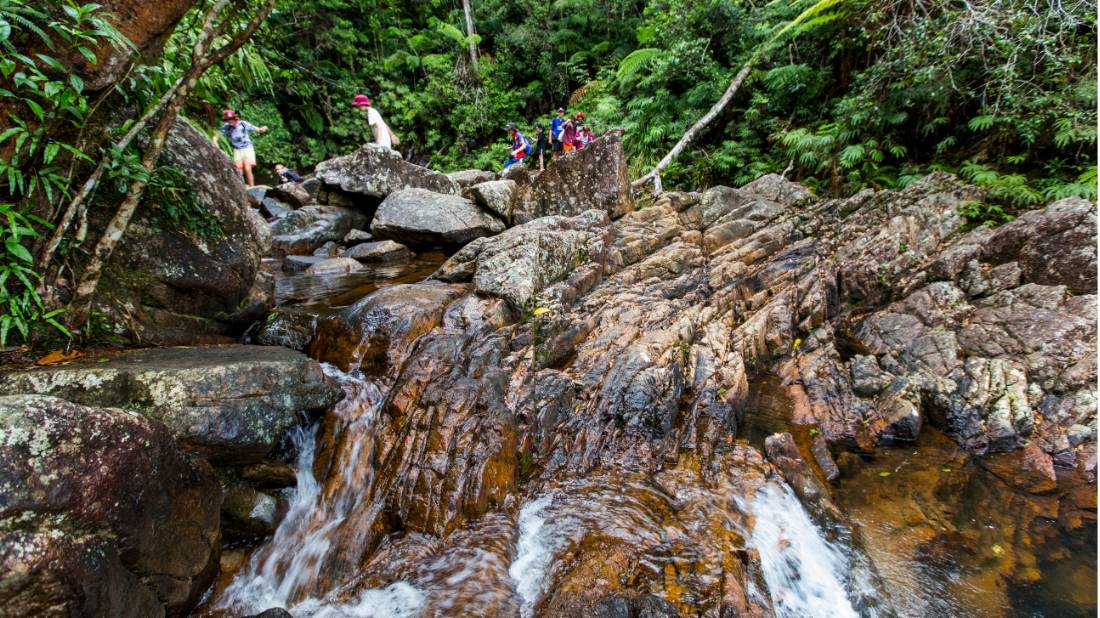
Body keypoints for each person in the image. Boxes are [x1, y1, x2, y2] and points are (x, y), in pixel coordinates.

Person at [214, 109, 268, 187]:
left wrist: (263, 129)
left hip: (247, 148)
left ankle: (252, 187)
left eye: (230, 119)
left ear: (234, 118)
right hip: (237, 150)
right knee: (238, 171)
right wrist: (215, 142)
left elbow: (258, 130)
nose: (229, 121)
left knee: (247, 167)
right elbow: (216, 136)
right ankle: (239, 187)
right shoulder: (226, 126)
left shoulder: (243, 123)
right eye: (227, 120)